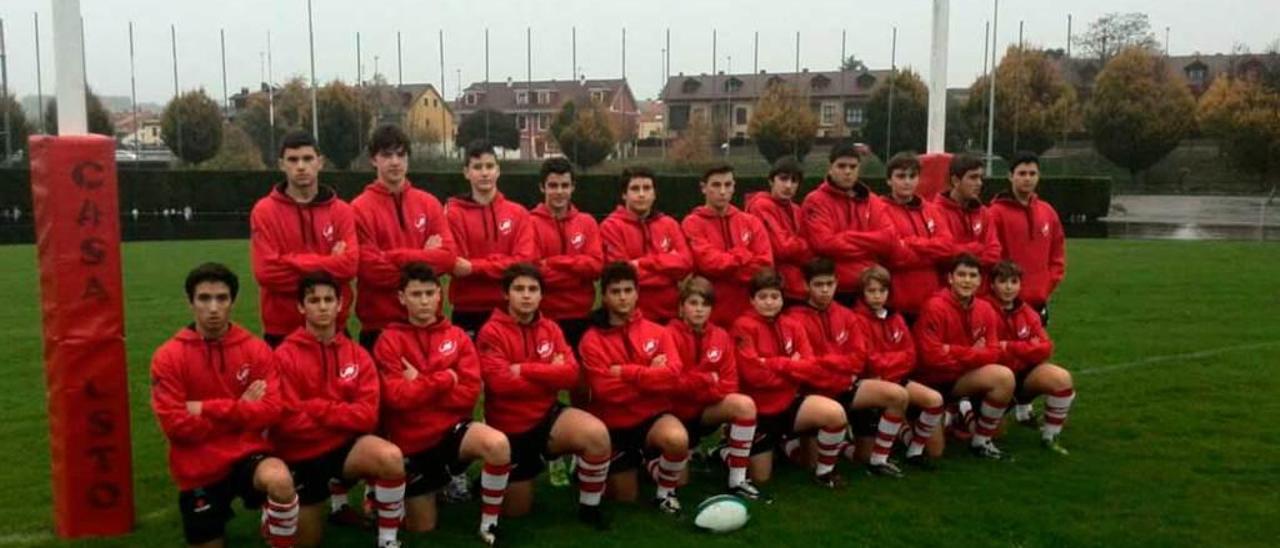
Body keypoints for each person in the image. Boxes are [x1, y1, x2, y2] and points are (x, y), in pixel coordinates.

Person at [150, 263, 298, 547]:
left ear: (233, 301)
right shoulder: (168, 357)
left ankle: (274, 523)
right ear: (190, 301)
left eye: (222, 298)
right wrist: (242, 407)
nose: (214, 308)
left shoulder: (255, 348)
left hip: (248, 455)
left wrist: (205, 409)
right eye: (204, 298)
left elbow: (272, 410)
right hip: (197, 466)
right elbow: (177, 428)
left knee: (280, 480)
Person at [373, 262, 511, 546]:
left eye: (429, 293)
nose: (423, 301)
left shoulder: (457, 337)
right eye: (415, 294)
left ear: (440, 295)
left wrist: (420, 383)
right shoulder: (389, 340)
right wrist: (445, 379)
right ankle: (394, 495)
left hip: (453, 433)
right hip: (412, 442)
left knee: (497, 444)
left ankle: (489, 524)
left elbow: (470, 393)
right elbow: (397, 399)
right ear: (402, 298)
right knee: (422, 528)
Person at [272, 272, 407, 548]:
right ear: (301, 307)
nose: (322, 306)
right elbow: (286, 423)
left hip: (345, 449)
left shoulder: (358, 354)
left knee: (391, 457)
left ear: (339, 304)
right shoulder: (283, 356)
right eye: (314, 300)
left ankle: (388, 541)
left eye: (328, 300)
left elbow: (368, 416)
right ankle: (272, 514)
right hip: (302, 455)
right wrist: (342, 412)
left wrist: (315, 408)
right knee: (307, 541)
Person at [475, 263, 612, 527]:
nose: (526, 295)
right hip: (510, 428)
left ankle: (589, 508)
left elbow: (571, 376)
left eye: (533, 289)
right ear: (506, 294)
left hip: (546, 415)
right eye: (519, 289)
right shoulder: (491, 331)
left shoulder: (550, 328)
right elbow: (501, 383)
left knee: (597, 435)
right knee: (517, 511)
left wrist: (524, 369)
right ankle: (488, 477)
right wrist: (550, 372)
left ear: (541, 295)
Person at [579, 261, 689, 514]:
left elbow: (673, 377)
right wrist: (651, 373)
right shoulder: (592, 339)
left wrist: (627, 372)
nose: (623, 297)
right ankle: (594, 463)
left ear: (638, 293)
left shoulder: (659, 332)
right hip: (614, 424)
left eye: (628, 290)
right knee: (625, 497)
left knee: (677, 441)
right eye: (615, 291)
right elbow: (606, 391)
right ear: (604, 296)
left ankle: (664, 495)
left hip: (652, 416)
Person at [784, 257, 909, 477]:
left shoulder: (847, 315)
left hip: (845, 386)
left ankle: (878, 461)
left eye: (829, 284)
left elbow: (858, 359)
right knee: (808, 463)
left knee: (898, 396)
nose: (825, 290)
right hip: (814, 394)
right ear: (806, 285)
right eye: (818, 285)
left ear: (837, 283)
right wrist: (838, 365)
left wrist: (827, 362)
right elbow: (806, 367)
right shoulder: (794, 319)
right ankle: (787, 445)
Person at [732, 268, 849, 488]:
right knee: (761, 478)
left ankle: (824, 473)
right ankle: (727, 449)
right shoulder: (742, 326)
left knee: (835, 414)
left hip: (789, 402)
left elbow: (810, 368)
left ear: (782, 299)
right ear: (752, 300)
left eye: (775, 297)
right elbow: (754, 376)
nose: (769, 302)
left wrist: (772, 363)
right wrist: (790, 366)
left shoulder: (793, 325)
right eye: (763, 297)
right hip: (760, 411)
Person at [352, 124, 458, 352]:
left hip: (428, 325)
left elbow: (448, 258)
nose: (395, 162)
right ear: (373, 160)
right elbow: (371, 270)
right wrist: (426, 258)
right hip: (380, 327)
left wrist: (391, 256)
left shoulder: (429, 203)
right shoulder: (359, 209)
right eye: (387, 155)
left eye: (401, 154)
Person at [250, 131, 358, 348]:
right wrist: (329, 263)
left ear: (320, 162)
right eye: (293, 159)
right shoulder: (264, 211)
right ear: (281, 164)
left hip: (334, 329)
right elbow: (267, 273)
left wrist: (290, 260)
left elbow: (350, 266)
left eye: (307, 158)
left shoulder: (342, 211)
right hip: (282, 332)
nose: (301, 166)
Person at [664, 276, 768, 501]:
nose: (700, 310)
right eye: (693, 303)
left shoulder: (721, 336)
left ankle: (737, 481)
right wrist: (708, 379)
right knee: (680, 481)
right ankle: (651, 458)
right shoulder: (668, 335)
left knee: (744, 405)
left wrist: (702, 387)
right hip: (676, 413)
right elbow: (672, 384)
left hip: (706, 410)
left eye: (705, 304)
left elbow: (730, 383)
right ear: (681, 307)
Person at [912, 254, 1015, 460]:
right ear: (950, 278)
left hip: (963, 377)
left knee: (1004, 377)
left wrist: (951, 350)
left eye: (972, 276)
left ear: (979, 281)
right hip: (933, 382)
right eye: (961, 275)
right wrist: (974, 352)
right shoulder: (934, 307)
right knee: (934, 452)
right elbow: (931, 358)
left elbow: (994, 352)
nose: (967, 280)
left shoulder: (985, 308)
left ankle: (981, 441)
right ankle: (911, 419)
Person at [851, 265, 946, 468]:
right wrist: (894, 361)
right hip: (871, 383)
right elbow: (868, 360)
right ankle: (878, 459)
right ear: (862, 293)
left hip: (895, 378)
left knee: (935, 400)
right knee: (862, 455)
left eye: (882, 291)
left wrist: (890, 365)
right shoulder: (856, 320)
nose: (877, 296)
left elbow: (910, 356)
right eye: (871, 291)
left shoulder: (896, 317)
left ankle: (914, 451)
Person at [445, 140, 537, 338]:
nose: (484, 173)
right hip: (467, 309)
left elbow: (523, 262)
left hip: (509, 308)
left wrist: (475, 268)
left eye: (489, 166)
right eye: (477, 167)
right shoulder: (453, 215)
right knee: (469, 368)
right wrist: (503, 263)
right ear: (466, 172)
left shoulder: (518, 213)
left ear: (498, 170)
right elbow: (456, 265)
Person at [985, 260, 1076, 455]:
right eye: (1002, 281)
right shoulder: (983, 309)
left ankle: (1050, 437)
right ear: (992, 284)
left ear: (1020, 284)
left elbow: (1045, 348)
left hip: (1024, 375)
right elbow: (989, 350)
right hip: (995, 381)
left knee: (1061, 379)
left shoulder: (1027, 312)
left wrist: (1009, 346)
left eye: (1014, 281)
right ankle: (962, 415)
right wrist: (1027, 347)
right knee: (995, 433)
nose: (1009, 287)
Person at [800, 140, 898, 305]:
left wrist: (845, 237)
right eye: (841, 166)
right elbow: (824, 244)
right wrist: (870, 244)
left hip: (870, 290)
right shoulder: (815, 200)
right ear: (830, 168)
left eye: (853, 167)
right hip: (836, 292)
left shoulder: (872, 200)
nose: (847, 171)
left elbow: (889, 240)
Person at [681, 163, 774, 326]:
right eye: (716, 185)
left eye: (728, 185)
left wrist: (726, 268)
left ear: (734, 187)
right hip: (710, 314)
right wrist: (743, 256)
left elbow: (765, 266)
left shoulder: (751, 222)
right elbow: (708, 264)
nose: (722, 191)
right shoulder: (692, 223)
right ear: (704, 188)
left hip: (748, 312)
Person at [599, 167, 694, 323]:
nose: (641, 194)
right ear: (624, 194)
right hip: (629, 317)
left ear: (654, 193)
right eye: (635, 188)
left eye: (647, 188)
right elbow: (621, 275)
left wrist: (643, 263)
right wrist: (668, 268)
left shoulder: (669, 224)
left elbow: (686, 265)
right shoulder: (610, 227)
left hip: (670, 315)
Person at [879, 152, 964, 322]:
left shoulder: (931, 209)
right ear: (889, 180)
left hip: (932, 301)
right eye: (901, 176)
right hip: (897, 301)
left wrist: (910, 243)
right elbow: (894, 255)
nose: (907, 181)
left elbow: (948, 248)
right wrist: (931, 252)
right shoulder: (880, 209)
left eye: (912, 176)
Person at [528, 157, 603, 347]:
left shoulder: (587, 222)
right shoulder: (530, 223)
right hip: (543, 317)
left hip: (581, 316)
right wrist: (578, 274)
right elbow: (534, 274)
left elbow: (595, 268)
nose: (559, 192)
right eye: (553, 185)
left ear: (573, 187)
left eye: (564, 185)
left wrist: (554, 263)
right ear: (542, 187)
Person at [988, 152, 1066, 326]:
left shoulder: (1048, 212)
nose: (1027, 179)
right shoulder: (995, 213)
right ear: (1010, 176)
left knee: (1037, 350)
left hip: (1038, 300)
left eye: (1032, 174)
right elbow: (991, 258)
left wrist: (1045, 287)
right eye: (1022, 173)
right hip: (1006, 303)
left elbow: (1057, 255)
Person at [745, 156, 812, 303]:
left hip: (795, 284)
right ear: (771, 181)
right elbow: (782, 248)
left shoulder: (796, 209)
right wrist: (803, 245)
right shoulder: (761, 205)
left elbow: (809, 249)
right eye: (783, 179)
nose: (788, 185)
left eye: (794, 181)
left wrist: (800, 246)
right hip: (775, 285)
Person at [932, 154, 1002, 272]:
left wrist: (962, 254)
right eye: (973, 177)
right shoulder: (935, 212)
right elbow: (942, 255)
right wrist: (977, 248)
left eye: (980, 177)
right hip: (948, 287)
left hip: (981, 288)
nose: (979, 183)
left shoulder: (984, 212)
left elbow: (994, 253)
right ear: (955, 180)